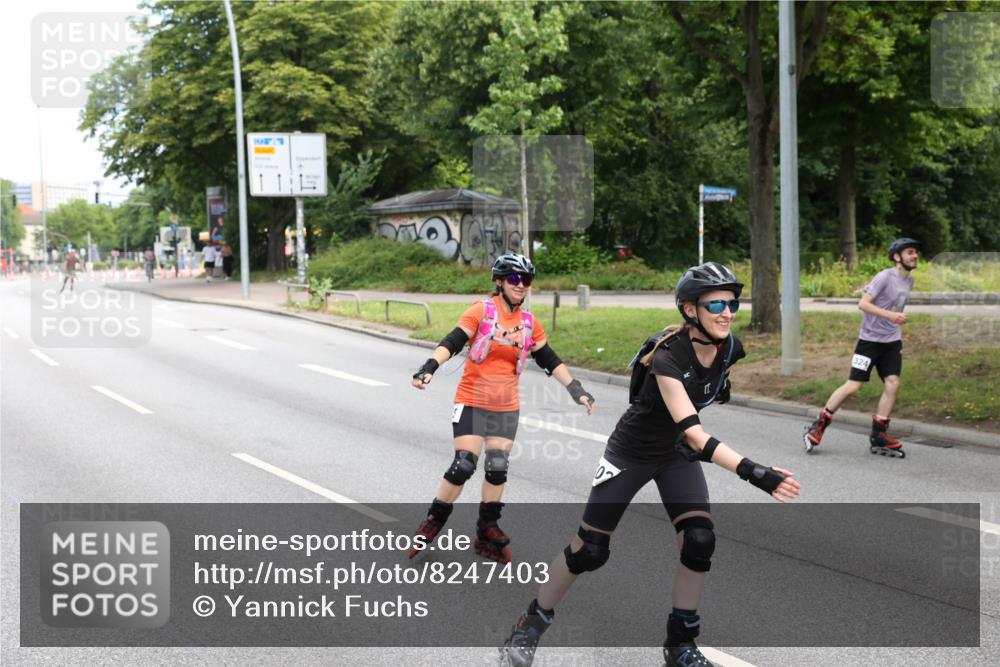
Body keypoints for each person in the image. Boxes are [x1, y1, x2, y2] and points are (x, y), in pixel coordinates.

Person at [499, 262, 801, 667]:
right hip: (631, 452)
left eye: (732, 303)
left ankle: (680, 646)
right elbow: (696, 434)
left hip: (675, 455)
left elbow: (707, 399)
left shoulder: (730, 348)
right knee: (589, 551)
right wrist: (757, 473)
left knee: (699, 540)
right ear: (690, 309)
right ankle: (529, 626)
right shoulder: (667, 357)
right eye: (716, 304)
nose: (727, 312)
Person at [409, 252, 596, 563]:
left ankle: (487, 530)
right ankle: (434, 519)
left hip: (506, 406)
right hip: (472, 401)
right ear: (499, 281)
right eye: (515, 279)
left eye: (527, 280)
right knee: (463, 465)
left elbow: (549, 359)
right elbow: (452, 342)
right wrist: (428, 367)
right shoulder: (481, 311)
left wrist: (577, 390)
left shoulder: (528, 323)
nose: (522, 285)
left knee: (497, 467)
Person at [803, 237, 920, 458]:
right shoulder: (885, 277)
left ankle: (879, 434)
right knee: (853, 386)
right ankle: (818, 426)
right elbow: (863, 304)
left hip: (892, 341)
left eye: (915, 252)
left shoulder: (909, 280)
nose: (915, 256)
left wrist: (894, 318)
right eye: (910, 252)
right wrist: (891, 315)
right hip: (869, 342)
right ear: (897, 257)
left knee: (893, 383)